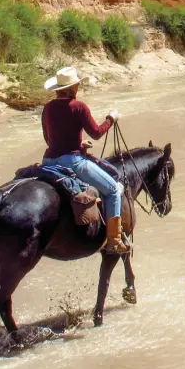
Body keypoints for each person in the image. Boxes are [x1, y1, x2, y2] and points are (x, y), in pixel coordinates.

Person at [42, 66, 129, 254]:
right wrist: (111, 119)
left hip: (48, 161)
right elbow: (97, 133)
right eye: (77, 85)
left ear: (57, 89)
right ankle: (114, 241)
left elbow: (50, 140)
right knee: (114, 189)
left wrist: (80, 144)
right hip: (73, 162)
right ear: (73, 88)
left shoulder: (47, 108)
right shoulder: (79, 107)